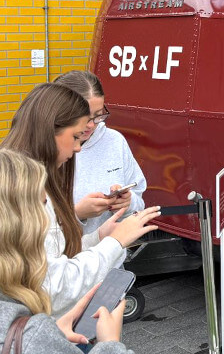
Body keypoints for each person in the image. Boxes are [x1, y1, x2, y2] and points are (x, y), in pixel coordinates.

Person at [0, 83, 160, 316]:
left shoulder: (29, 179)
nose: (78, 148)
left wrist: (99, 237)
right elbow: (55, 286)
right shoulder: (25, 189)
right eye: (76, 136)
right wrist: (114, 243)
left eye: (99, 115)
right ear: (50, 128)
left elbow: (51, 259)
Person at [0, 149, 135, 353]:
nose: (48, 219)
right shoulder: (32, 336)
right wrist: (109, 344)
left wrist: (54, 334)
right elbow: (58, 281)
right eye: (43, 207)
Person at [55, 71, 147, 235]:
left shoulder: (115, 141)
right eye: (84, 117)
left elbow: (139, 203)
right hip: (62, 258)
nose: (91, 125)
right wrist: (77, 214)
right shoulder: (41, 150)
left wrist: (128, 203)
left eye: (98, 116)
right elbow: (25, 227)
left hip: (109, 257)